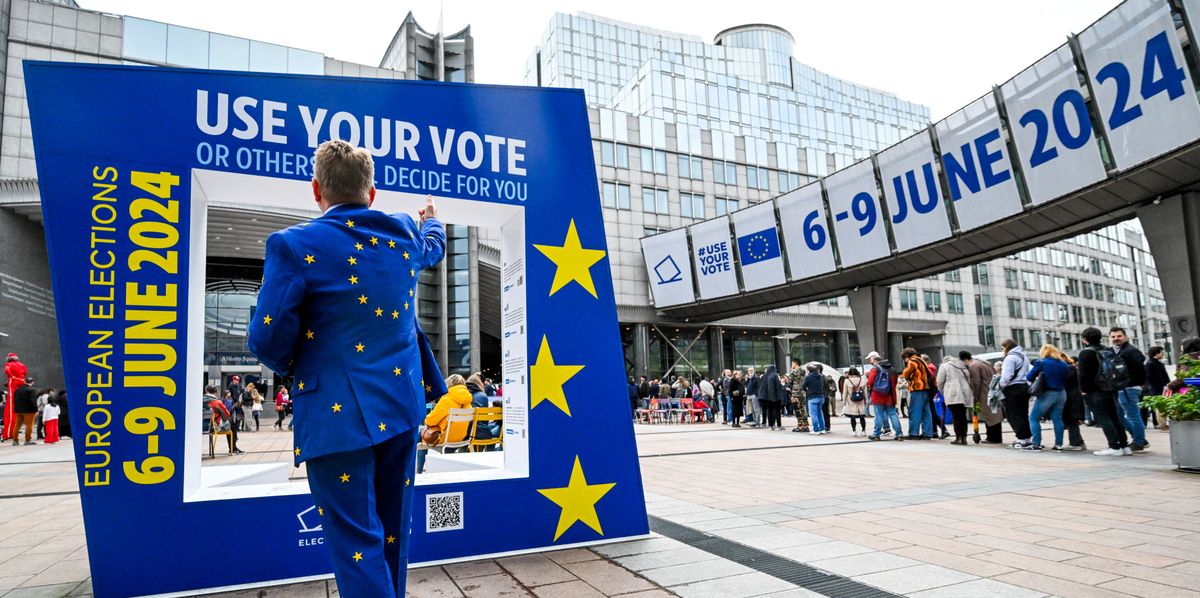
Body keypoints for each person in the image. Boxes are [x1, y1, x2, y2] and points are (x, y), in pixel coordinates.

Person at [247, 139, 447, 598]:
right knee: (394, 538)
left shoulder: (292, 245)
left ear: (316, 189)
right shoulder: (403, 234)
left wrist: (299, 368)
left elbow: (266, 339)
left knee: (357, 546)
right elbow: (434, 246)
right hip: (400, 411)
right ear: (371, 193)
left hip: (335, 421)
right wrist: (431, 216)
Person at [1077, 327, 1130, 456]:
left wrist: (1083, 390)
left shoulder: (1086, 353)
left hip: (1095, 390)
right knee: (1114, 416)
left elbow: (1083, 375)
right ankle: (1124, 446)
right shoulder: (1107, 350)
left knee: (1103, 417)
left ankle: (1114, 447)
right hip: (1111, 388)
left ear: (1085, 340)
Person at [417, 374, 475, 472]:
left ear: (449, 384)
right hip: (460, 438)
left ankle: (418, 471)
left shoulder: (447, 399)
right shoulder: (468, 402)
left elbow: (429, 421)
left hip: (443, 438)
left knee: (419, 431)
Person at [1024, 345, 1071, 451]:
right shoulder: (1063, 364)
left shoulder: (1042, 362)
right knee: (1057, 419)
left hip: (1047, 393)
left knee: (1033, 418)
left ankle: (1036, 444)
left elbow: (1029, 377)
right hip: (1061, 393)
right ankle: (1058, 444)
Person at [1109, 327, 1149, 451]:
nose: (1116, 339)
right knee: (1119, 415)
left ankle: (1139, 441)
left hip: (1129, 388)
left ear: (1125, 336)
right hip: (1119, 387)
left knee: (1132, 415)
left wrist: (1138, 383)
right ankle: (1140, 437)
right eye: (1113, 336)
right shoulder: (1111, 351)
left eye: (1119, 336)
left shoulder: (1132, 351)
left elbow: (1141, 369)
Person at [998, 339, 1033, 449]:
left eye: (1003, 347)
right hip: (1024, 387)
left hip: (1012, 388)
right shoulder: (1024, 357)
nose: (1002, 350)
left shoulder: (1010, 358)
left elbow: (1006, 376)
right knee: (1023, 414)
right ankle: (1027, 439)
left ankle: (1021, 440)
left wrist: (1001, 386)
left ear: (1007, 347)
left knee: (1013, 415)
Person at [962, 352, 1003, 444]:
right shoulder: (984, 363)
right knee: (995, 414)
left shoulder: (973, 366)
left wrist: (975, 397)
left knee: (989, 416)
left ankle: (992, 438)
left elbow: (976, 382)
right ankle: (996, 437)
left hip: (984, 393)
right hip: (993, 391)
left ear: (965, 360)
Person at [864, 352, 903, 441]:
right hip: (890, 396)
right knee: (893, 415)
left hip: (877, 395)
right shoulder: (892, 369)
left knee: (878, 415)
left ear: (874, 358)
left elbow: (870, 382)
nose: (870, 360)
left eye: (870, 358)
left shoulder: (875, 369)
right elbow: (895, 383)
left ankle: (876, 434)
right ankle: (899, 434)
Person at [937, 354, 973, 445]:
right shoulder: (962, 366)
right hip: (964, 393)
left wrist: (943, 391)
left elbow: (940, 381)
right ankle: (964, 438)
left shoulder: (944, 366)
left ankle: (959, 438)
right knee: (962, 416)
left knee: (956, 416)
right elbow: (969, 380)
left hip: (952, 392)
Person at [1058, 350, 1088, 451]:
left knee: (1071, 420)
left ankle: (1076, 443)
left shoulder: (1069, 368)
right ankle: (1078, 442)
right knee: (1071, 420)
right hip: (1072, 397)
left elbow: (1064, 381)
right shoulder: (1071, 367)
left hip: (1071, 398)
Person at [900, 349, 933, 439]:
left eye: (904, 359)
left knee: (915, 411)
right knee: (926, 412)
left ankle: (914, 433)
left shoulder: (913, 361)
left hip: (917, 389)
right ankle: (927, 433)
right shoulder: (921, 360)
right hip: (926, 389)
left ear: (906, 357)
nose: (905, 361)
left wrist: (906, 375)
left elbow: (905, 374)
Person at [922, 354, 949, 439]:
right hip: (932, 391)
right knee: (931, 412)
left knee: (932, 412)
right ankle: (934, 431)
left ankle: (944, 430)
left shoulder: (928, 368)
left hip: (930, 392)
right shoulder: (931, 368)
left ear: (925, 361)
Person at [1145, 346, 1170, 431]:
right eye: (1161, 352)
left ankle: (1161, 423)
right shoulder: (1150, 364)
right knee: (1157, 406)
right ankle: (1158, 424)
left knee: (1161, 406)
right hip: (1155, 388)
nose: (1163, 354)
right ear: (1157, 353)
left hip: (1161, 387)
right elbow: (1149, 377)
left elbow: (1165, 376)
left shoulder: (1158, 363)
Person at [4, 353, 26, 442]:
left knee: (10, 408)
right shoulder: (22, 365)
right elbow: (25, 372)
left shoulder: (8, 365)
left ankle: (9, 433)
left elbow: (7, 371)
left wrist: (12, 376)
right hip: (21, 382)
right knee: (18, 407)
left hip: (13, 382)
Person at [840, 368, 867, 436]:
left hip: (851, 401)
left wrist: (844, 402)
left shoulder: (847, 380)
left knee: (852, 417)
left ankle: (854, 431)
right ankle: (863, 431)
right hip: (861, 400)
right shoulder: (862, 380)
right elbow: (865, 392)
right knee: (862, 416)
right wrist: (866, 400)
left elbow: (845, 393)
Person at [11, 378, 37, 446]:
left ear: (25, 381)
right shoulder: (32, 390)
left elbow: (14, 400)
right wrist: (36, 410)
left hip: (18, 410)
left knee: (17, 425)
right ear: (33, 382)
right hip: (29, 411)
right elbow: (33, 401)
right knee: (29, 425)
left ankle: (15, 440)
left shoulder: (17, 389)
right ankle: (27, 440)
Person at [760, 364, 786, 430]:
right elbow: (772, 387)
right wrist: (774, 397)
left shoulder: (766, 376)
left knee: (770, 411)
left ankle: (771, 425)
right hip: (775, 397)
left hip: (768, 398)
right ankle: (779, 425)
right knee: (777, 411)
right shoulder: (774, 376)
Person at [803, 364, 827, 435]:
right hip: (821, 397)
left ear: (809, 370)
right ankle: (822, 429)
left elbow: (803, 387)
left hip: (812, 397)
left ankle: (816, 429)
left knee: (813, 414)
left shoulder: (808, 377)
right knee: (820, 413)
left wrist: (807, 390)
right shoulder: (820, 376)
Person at [788, 360, 810, 432]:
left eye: (792, 363)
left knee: (797, 410)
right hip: (803, 393)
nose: (791, 365)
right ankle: (806, 426)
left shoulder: (793, 372)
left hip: (795, 393)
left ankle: (800, 426)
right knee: (803, 409)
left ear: (795, 363)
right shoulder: (804, 372)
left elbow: (789, 382)